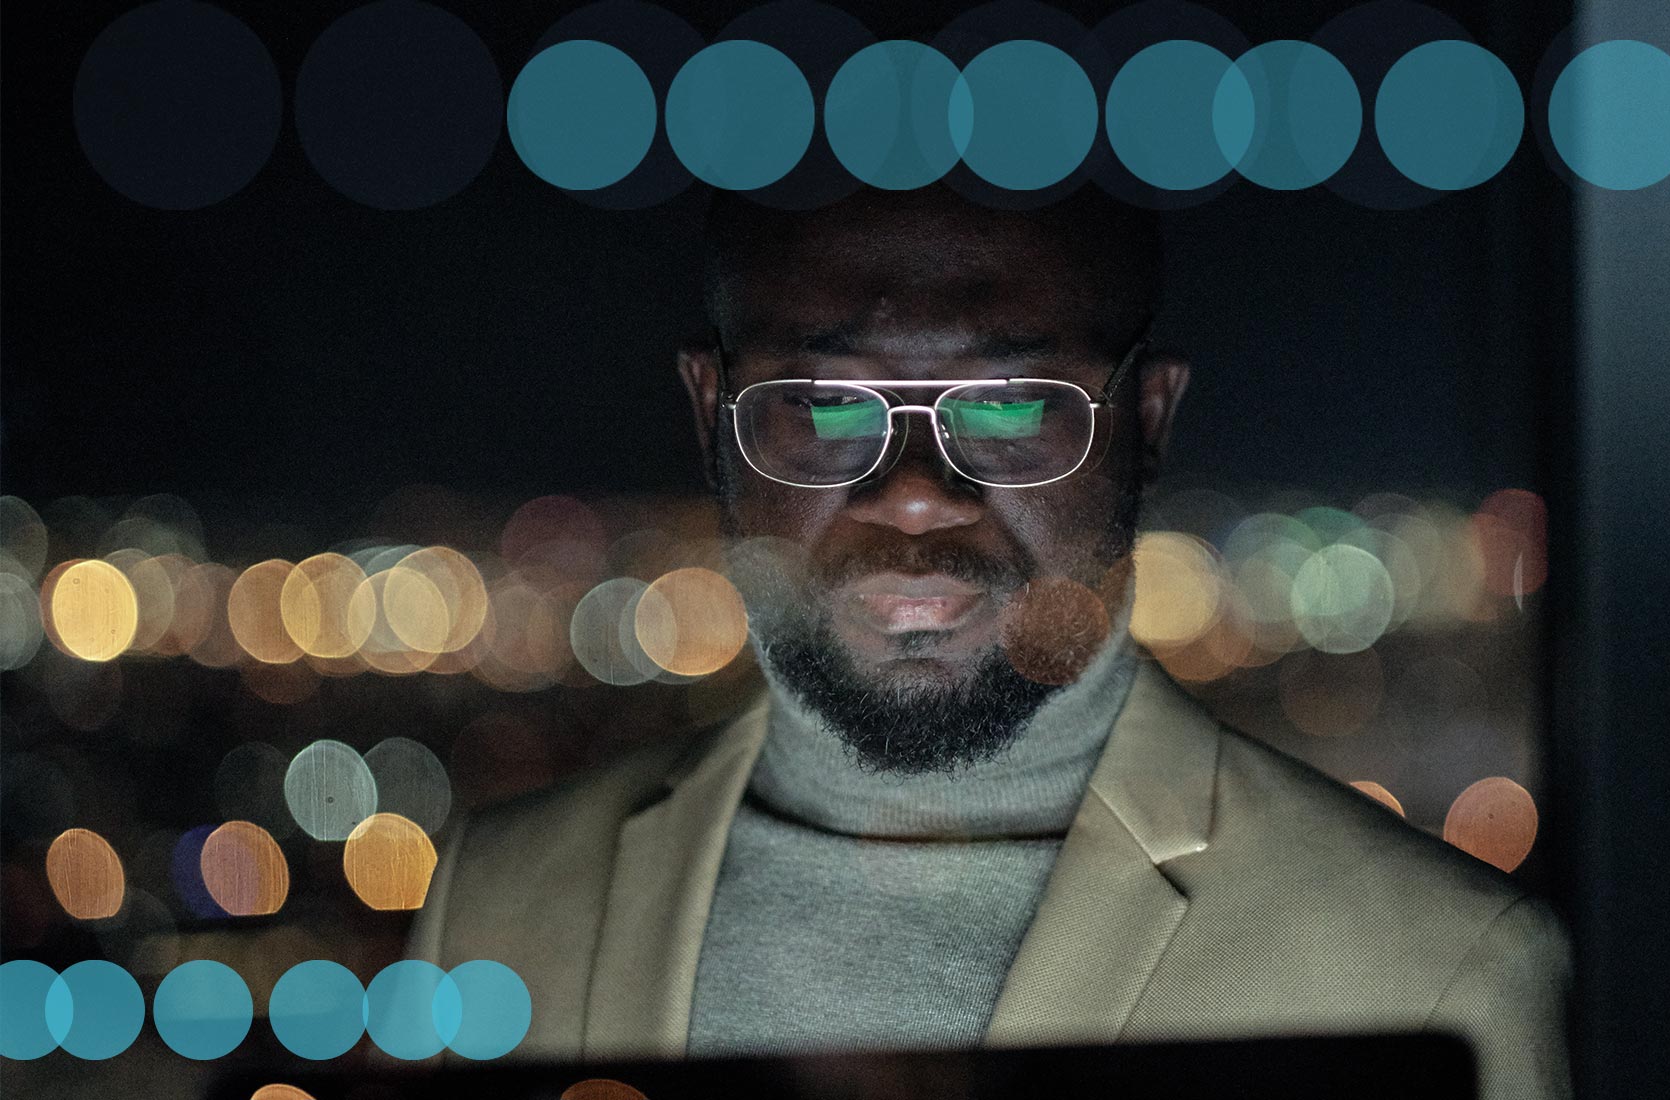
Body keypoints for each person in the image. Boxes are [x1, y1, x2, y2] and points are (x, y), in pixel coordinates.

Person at [409, 185, 1570, 1100]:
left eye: (1011, 405)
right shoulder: (495, 901)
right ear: (710, 415)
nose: (915, 494)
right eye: (821, 404)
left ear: (1147, 421)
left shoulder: (1439, 967)